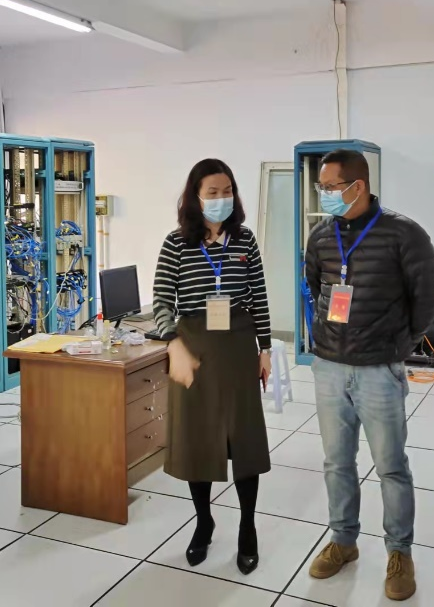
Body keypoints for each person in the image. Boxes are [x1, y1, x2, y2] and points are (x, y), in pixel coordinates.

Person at [304, 149, 434, 601]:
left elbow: (426, 301)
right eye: (321, 187)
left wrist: (398, 344)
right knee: (337, 462)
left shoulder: (404, 234)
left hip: (380, 370)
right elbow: (316, 287)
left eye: (329, 187)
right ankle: (343, 540)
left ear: (357, 186)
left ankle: (399, 552)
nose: (324, 194)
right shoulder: (321, 236)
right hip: (329, 367)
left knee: (391, 466)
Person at [152, 158, 273, 576]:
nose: (222, 198)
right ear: (195, 197)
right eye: (212, 192)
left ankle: (247, 526)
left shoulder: (245, 240)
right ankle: (203, 521)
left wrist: (265, 348)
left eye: (227, 191)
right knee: (198, 438)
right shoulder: (176, 243)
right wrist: (173, 344)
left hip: (238, 346)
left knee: (245, 440)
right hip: (194, 347)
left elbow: (258, 296)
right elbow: (162, 300)